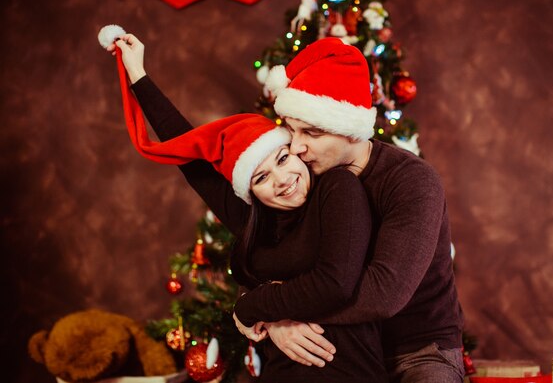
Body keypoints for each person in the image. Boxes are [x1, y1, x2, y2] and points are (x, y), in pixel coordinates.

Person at [105, 33, 387, 383]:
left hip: (347, 373)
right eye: (262, 177)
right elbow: (191, 157)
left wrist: (250, 306)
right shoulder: (255, 218)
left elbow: (335, 284)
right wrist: (137, 75)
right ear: (249, 191)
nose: (282, 179)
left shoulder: (337, 189)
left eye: (283, 159)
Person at [231, 37, 466, 383]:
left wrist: (277, 311)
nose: (296, 147)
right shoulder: (302, 174)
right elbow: (265, 254)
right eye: (292, 130)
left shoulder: (413, 181)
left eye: (311, 132)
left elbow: (383, 294)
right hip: (340, 345)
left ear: (351, 131)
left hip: (416, 350)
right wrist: (268, 312)